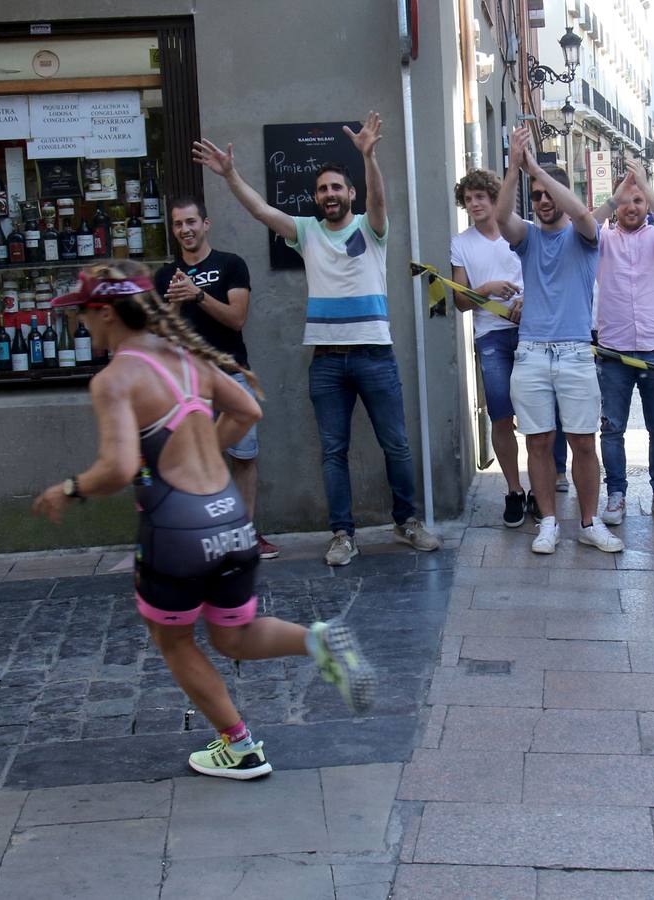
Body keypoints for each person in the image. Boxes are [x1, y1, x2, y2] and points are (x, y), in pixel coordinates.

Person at [32, 262, 374, 780]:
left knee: (173, 640)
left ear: (104, 313)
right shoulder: (188, 359)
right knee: (233, 635)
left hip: (176, 531)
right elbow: (247, 413)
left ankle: (239, 747)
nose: (82, 326)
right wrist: (198, 459)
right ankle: (317, 640)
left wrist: (70, 487)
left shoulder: (115, 378)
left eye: (83, 315)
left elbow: (120, 467)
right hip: (231, 519)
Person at [194, 112, 441, 566]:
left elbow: (381, 199)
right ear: (316, 198)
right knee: (333, 451)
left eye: (337, 188)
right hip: (326, 363)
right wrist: (230, 175)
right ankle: (342, 535)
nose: (330, 195)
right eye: (323, 189)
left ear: (350, 194)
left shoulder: (371, 229)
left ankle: (406, 522)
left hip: (374, 356)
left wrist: (368, 157)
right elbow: (260, 210)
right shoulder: (305, 233)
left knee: (397, 445)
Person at [494, 125, 622, 555]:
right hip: (530, 353)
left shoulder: (586, 237)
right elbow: (500, 219)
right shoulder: (527, 238)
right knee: (539, 441)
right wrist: (517, 169)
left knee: (584, 441)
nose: (543, 201)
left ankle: (589, 522)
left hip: (574, 352)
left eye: (550, 194)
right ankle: (548, 522)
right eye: (537, 197)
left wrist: (540, 172)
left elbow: (585, 216)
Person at [152, 198, 278, 561]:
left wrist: (198, 295)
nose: (185, 230)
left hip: (231, 377)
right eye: (178, 225)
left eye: (191, 222)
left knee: (244, 457)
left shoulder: (230, 265)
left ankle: (245, 535)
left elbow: (237, 318)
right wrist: (176, 302)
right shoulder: (165, 276)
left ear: (206, 224)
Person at [591, 159, 654, 526]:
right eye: (626, 201)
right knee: (612, 427)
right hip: (613, 349)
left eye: (638, 201)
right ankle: (616, 493)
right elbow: (585, 225)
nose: (632, 207)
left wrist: (644, 182)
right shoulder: (602, 241)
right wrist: (614, 198)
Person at [451, 168, 530, 528]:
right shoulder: (461, 243)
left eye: (480, 196)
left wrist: (526, 300)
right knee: (501, 415)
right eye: (468, 200)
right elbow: (459, 301)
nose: (474, 204)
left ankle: (545, 487)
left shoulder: (519, 230)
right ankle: (514, 490)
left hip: (530, 330)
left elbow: (544, 279)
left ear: (494, 197)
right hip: (491, 337)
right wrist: (486, 288)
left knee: (539, 415)